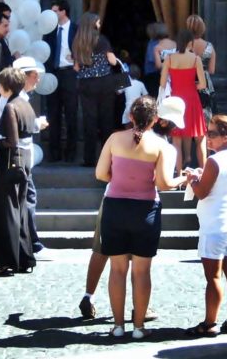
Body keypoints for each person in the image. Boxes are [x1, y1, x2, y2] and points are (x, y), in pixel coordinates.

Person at [78, 96, 186, 322]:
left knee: (111, 261)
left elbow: (100, 174)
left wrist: (119, 178)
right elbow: (164, 183)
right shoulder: (161, 146)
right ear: (155, 120)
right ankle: (139, 317)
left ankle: (113, 319)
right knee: (141, 268)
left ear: (130, 116)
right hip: (145, 207)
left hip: (114, 203)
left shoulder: (115, 138)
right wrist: (183, 179)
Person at [184, 114, 227, 337]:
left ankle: (209, 323)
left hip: (214, 224)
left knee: (213, 277)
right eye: (207, 133)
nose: (207, 138)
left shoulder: (214, 161)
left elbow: (201, 192)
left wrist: (192, 178)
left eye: (212, 134)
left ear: (226, 137)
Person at [0, 68, 37, 274]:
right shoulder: (25, 104)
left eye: (0, 84)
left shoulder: (10, 107)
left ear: (7, 85)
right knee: (20, 209)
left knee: (7, 211)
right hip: (23, 161)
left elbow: (12, 141)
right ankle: (24, 257)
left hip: (10, 162)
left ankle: (8, 260)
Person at [12, 56, 49, 254]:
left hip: (21, 155)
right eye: (35, 75)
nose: (38, 79)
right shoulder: (16, 100)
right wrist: (36, 124)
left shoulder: (21, 98)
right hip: (19, 155)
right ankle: (32, 242)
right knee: (27, 197)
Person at [73, 12, 120, 166]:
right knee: (106, 120)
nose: (100, 24)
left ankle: (89, 159)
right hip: (104, 82)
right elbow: (112, 61)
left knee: (89, 121)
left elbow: (76, 67)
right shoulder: (102, 40)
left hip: (86, 84)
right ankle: (107, 159)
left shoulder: (78, 41)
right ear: (94, 23)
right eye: (98, 22)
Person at [159, 28, 208, 172]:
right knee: (200, 138)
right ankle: (204, 172)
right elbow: (203, 84)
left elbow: (162, 84)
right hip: (192, 99)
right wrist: (193, 85)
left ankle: (178, 173)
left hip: (175, 100)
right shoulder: (195, 59)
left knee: (176, 140)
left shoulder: (169, 59)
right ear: (190, 43)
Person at [44, 0, 78, 163]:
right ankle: (54, 153)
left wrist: (76, 58)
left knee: (71, 114)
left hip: (70, 74)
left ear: (64, 12)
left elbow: (84, 49)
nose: (52, 14)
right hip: (52, 74)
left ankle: (71, 153)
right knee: (53, 114)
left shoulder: (76, 29)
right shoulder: (49, 30)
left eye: (55, 11)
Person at [186, 14, 217, 122]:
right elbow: (212, 70)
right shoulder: (209, 46)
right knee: (204, 116)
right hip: (205, 82)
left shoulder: (184, 45)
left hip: (187, 81)